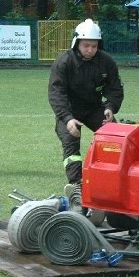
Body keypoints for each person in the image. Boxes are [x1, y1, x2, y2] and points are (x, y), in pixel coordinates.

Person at [48, 18, 124, 188]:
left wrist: (110, 107)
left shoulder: (107, 62)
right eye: (86, 45)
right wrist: (67, 119)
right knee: (71, 142)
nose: (90, 50)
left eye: (94, 46)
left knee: (115, 137)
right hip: (69, 111)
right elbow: (56, 93)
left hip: (95, 109)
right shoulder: (64, 62)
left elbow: (115, 89)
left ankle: (114, 177)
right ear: (76, 43)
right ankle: (76, 184)